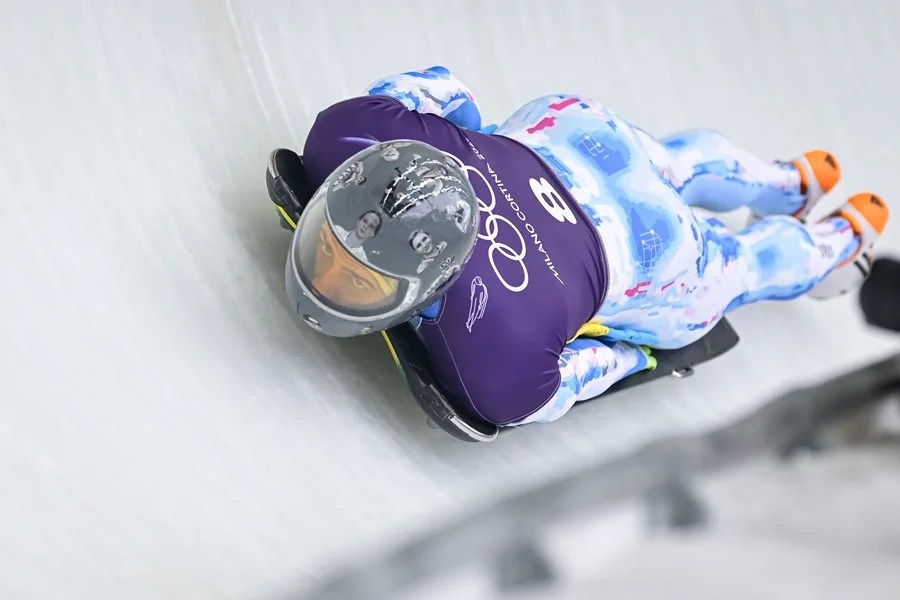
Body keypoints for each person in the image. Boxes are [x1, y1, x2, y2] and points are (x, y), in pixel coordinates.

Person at [278, 65, 890, 427]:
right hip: (574, 133)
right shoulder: (349, 133)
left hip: (655, 253)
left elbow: (577, 378)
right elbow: (446, 87)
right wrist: (481, 138)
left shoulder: (499, 365)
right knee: (674, 159)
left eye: (356, 279)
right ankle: (792, 180)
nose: (327, 280)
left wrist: (636, 354)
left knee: (745, 264)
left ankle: (839, 241)